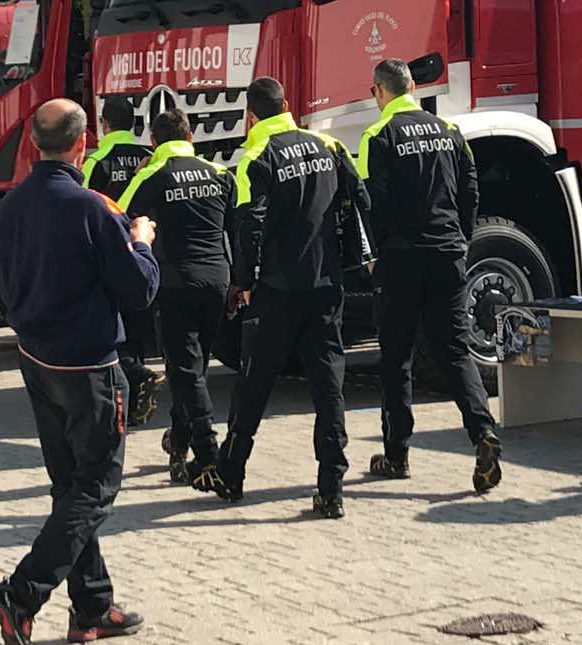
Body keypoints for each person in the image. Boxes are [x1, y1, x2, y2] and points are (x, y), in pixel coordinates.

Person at [0, 99, 158, 645]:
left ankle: (92, 605)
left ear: (34, 142)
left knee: (71, 486)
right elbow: (139, 290)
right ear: (83, 144)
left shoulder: (10, 207)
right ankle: (22, 591)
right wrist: (142, 242)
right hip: (88, 365)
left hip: (38, 359)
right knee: (95, 487)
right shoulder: (92, 209)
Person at [195, 76, 368, 519]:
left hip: (275, 290)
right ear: (287, 105)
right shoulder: (328, 145)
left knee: (254, 383)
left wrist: (242, 282)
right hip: (327, 286)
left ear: (250, 116)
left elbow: (249, 225)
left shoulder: (255, 156)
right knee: (329, 387)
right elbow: (361, 195)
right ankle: (331, 488)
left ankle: (232, 474)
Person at [357, 59, 501, 493]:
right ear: (414, 87)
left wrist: (375, 253)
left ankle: (397, 454)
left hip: (400, 258)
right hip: (447, 253)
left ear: (380, 91)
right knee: (454, 350)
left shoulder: (377, 135)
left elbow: (372, 202)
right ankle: (483, 432)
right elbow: (471, 188)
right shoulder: (451, 132)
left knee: (396, 358)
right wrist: (462, 236)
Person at [123, 108, 230, 484]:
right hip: (218, 279)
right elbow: (236, 224)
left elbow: (122, 219)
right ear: (191, 137)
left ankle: (209, 453)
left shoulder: (152, 175)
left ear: (153, 142)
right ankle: (179, 446)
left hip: (175, 283)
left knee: (185, 369)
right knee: (194, 370)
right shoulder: (219, 173)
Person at [83, 96, 164, 424]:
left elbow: (83, 206)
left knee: (114, 337)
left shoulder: (97, 160)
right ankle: (136, 397)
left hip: (109, 255)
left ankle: (129, 392)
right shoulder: (148, 157)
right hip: (146, 252)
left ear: (105, 124)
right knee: (137, 326)